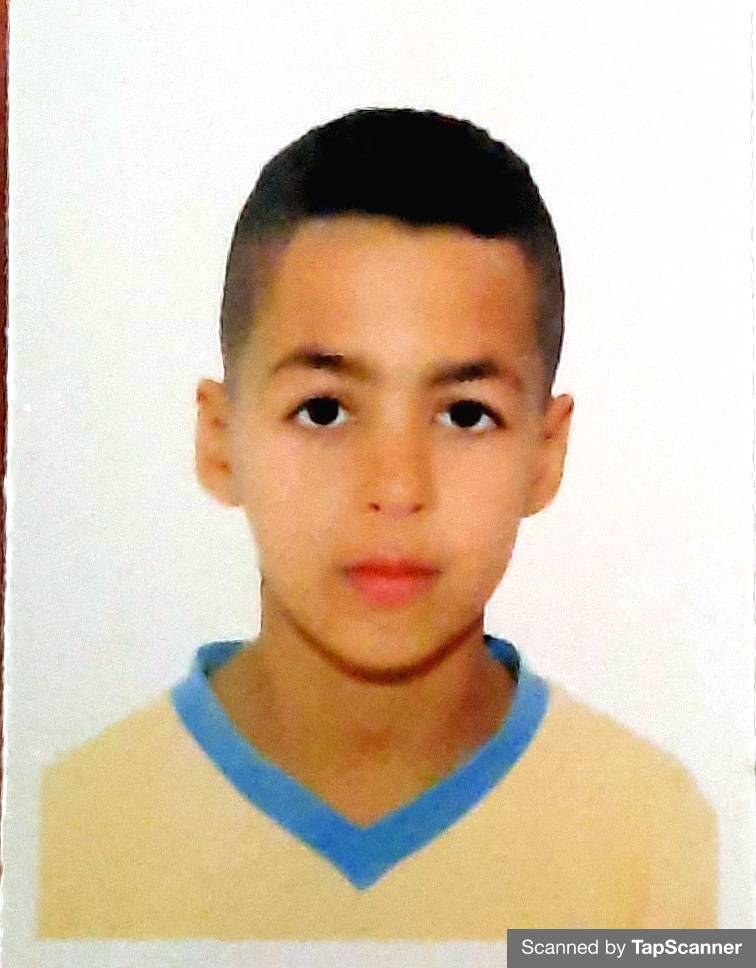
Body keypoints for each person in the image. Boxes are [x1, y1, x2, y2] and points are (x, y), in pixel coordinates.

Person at [38, 108, 717, 939]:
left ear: (546, 454)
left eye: (465, 415)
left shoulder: (651, 836)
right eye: (324, 410)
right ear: (219, 441)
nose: (396, 489)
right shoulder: (65, 830)